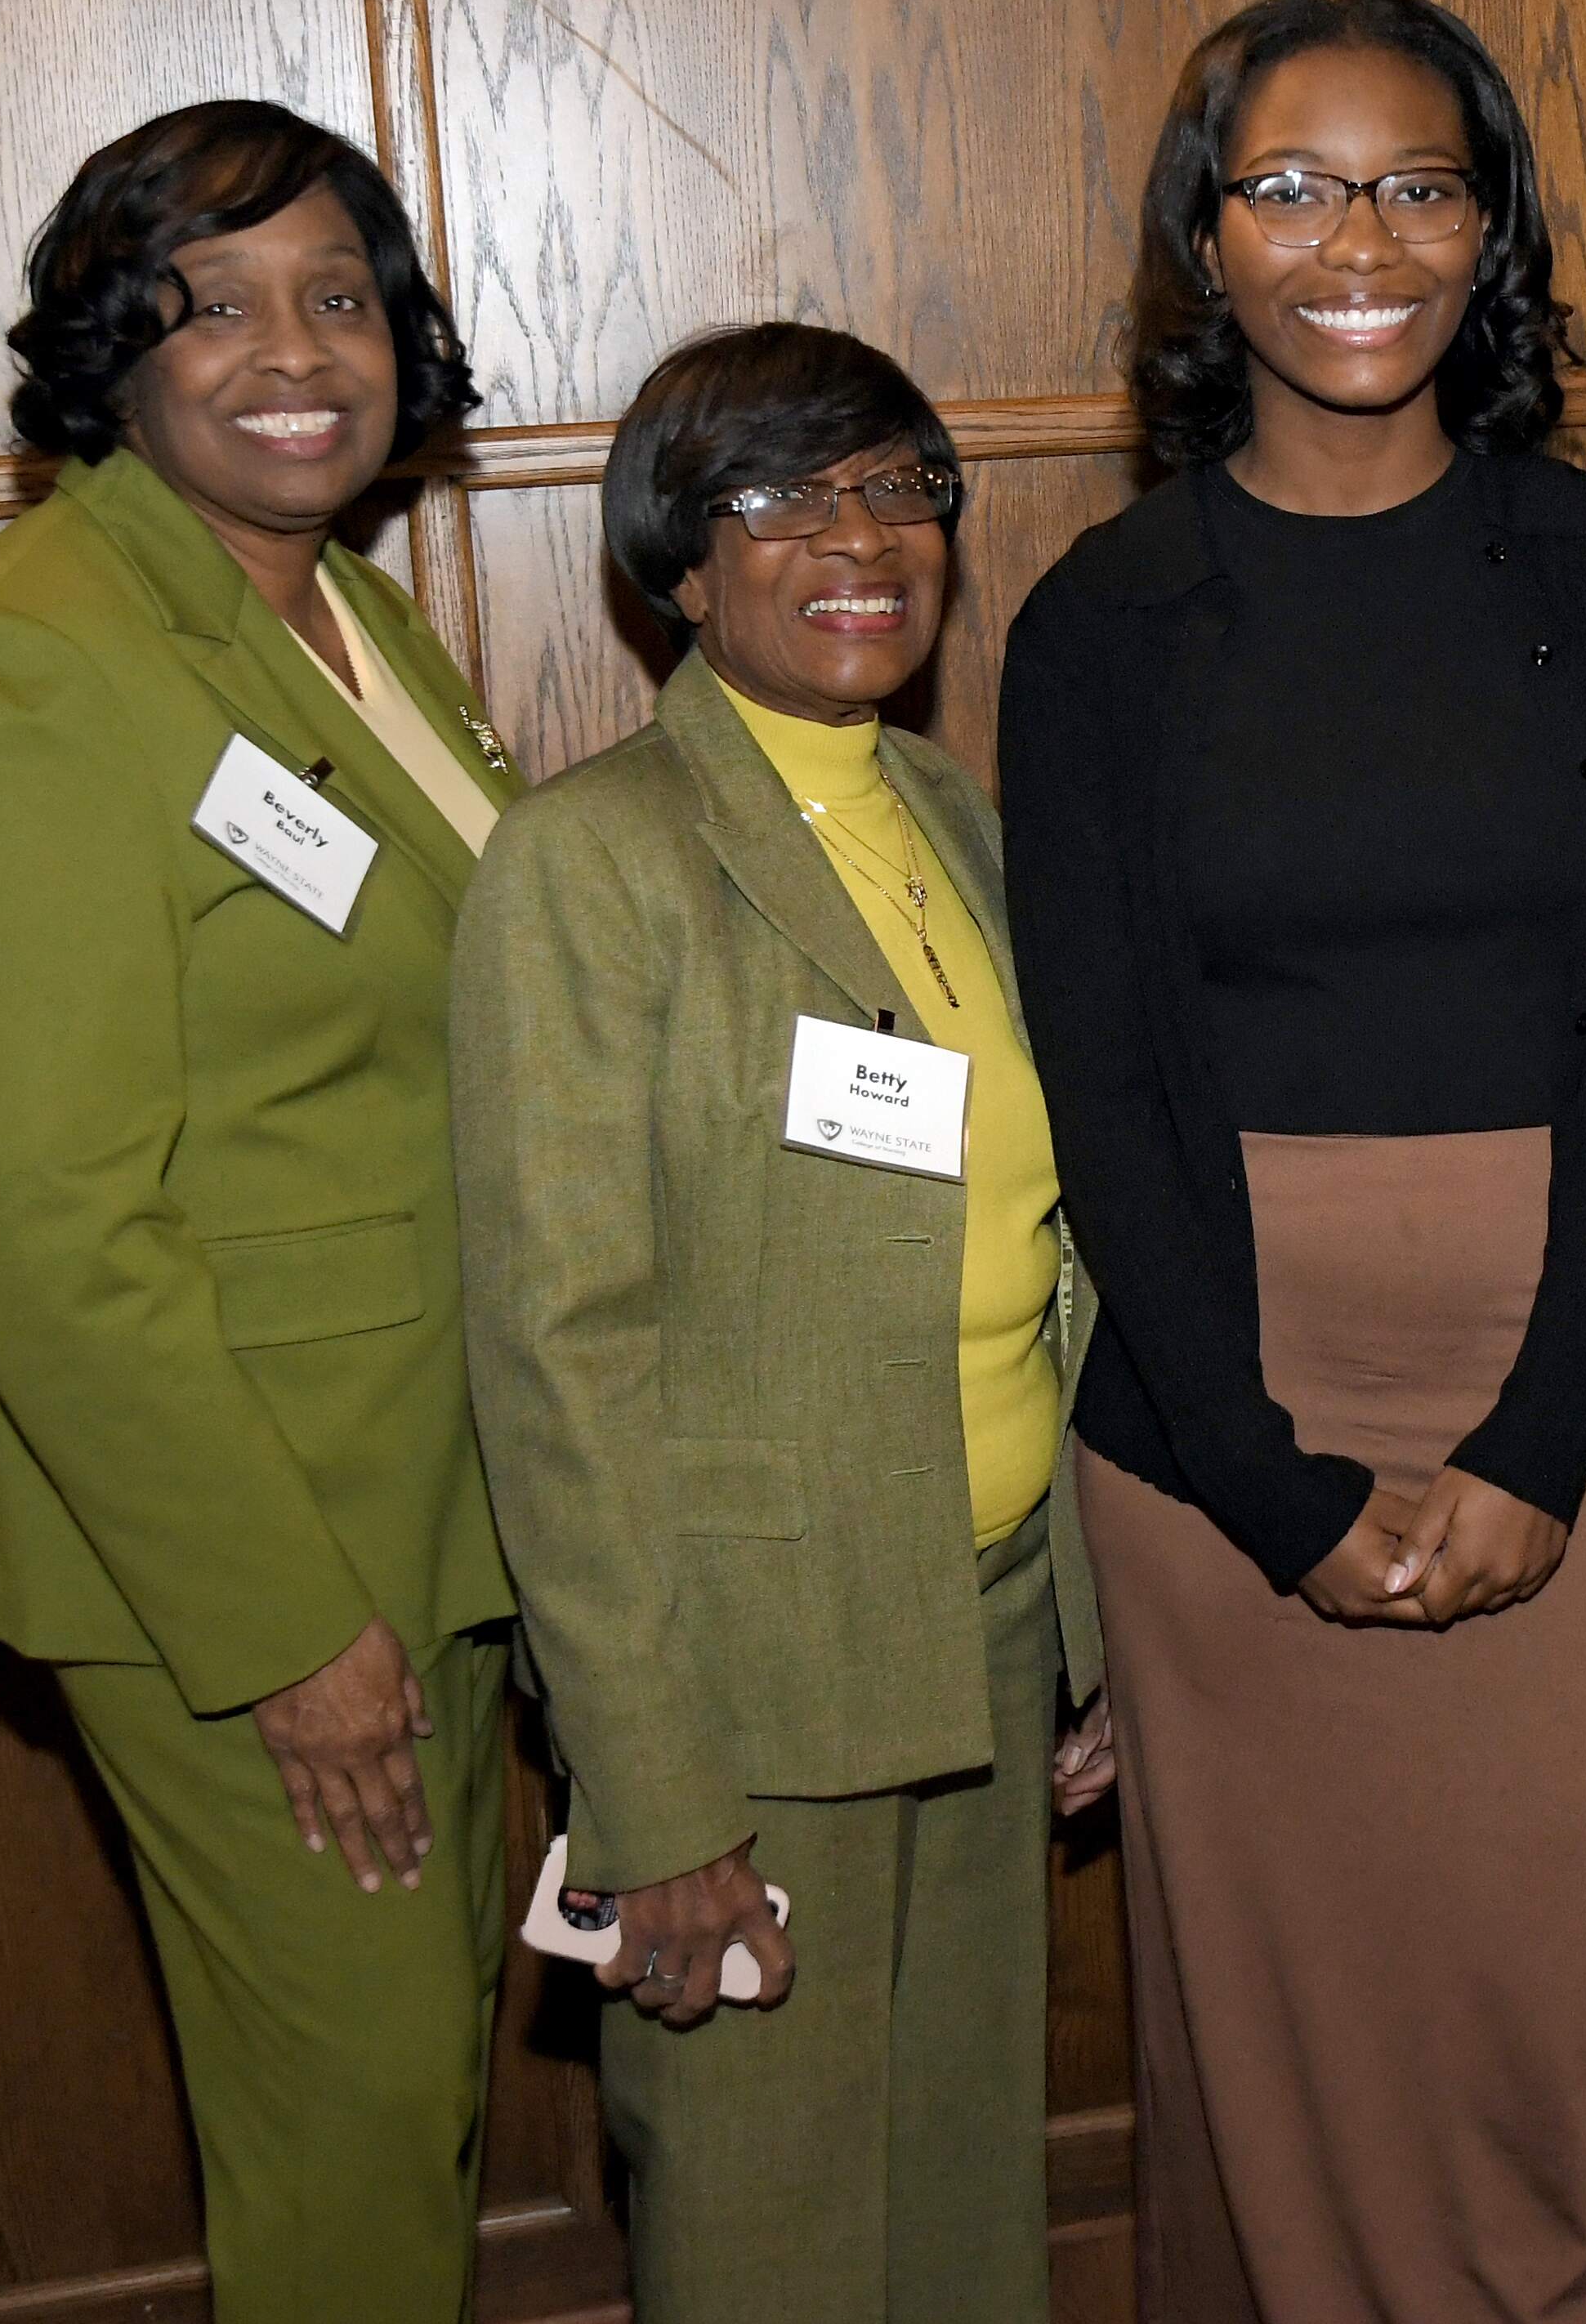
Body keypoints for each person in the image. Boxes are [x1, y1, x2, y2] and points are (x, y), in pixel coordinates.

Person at [996, 0, 1586, 2323]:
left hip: (1566, 1377)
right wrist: (1267, 1480)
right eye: (1288, 186)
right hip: (1224, 1400)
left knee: (1515, 2013)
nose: (1356, 240)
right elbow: (1099, 1088)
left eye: (1417, 182)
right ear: (1200, 241)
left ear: (1490, 226)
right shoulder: (1100, 621)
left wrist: (1532, 1442)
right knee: (1268, 2022)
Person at [0, 101, 516, 2322]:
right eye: (206, 306)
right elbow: (49, 1230)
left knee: (409, 2109)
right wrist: (284, 1637)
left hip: (438, 1491)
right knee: (351, 2141)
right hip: (258, 1553)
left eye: (336, 294)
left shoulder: (344, 622)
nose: (287, 349)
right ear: (111, 351)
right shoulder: (14, 667)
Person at [449, 323, 1108, 2324]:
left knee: (965, 2199)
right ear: (679, 556)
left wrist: (1079, 1624)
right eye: (782, 497)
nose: (859, 540)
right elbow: (559, 1358)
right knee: (774, 2235)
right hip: (748, 1667)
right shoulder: (596, 862)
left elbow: (1043, 1252)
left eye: (901, 490)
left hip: (980, 1616)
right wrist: (651, 1789)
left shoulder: (948, 807)